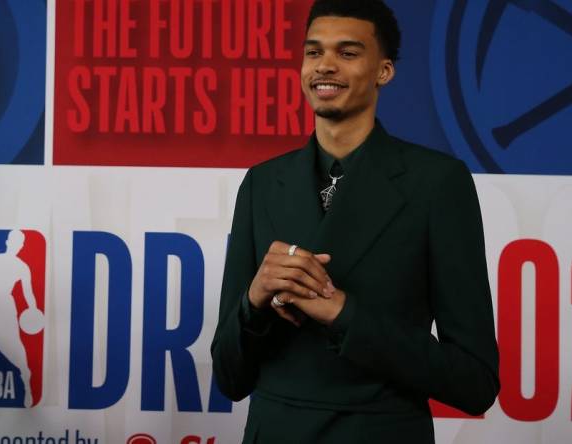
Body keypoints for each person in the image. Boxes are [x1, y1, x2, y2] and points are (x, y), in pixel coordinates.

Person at [211, 1, 499, 442]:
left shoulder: (437, 183)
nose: (325, 65)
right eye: (313, 52)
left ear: (383, 71)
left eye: (347, 53)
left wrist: (344, 315)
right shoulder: (262, 184)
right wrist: (253, 299)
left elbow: (474, 383)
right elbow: (230, 378)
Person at [0, 230, 40, 407]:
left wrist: (33, 310)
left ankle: (25, 377)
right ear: (8, 242)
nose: (17, 245)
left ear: (21, 246)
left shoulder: (22, 267)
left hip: (5, 306)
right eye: (14, 241)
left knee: (13, 344)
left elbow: (29, 293)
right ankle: (23, 371)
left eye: (20, 243)